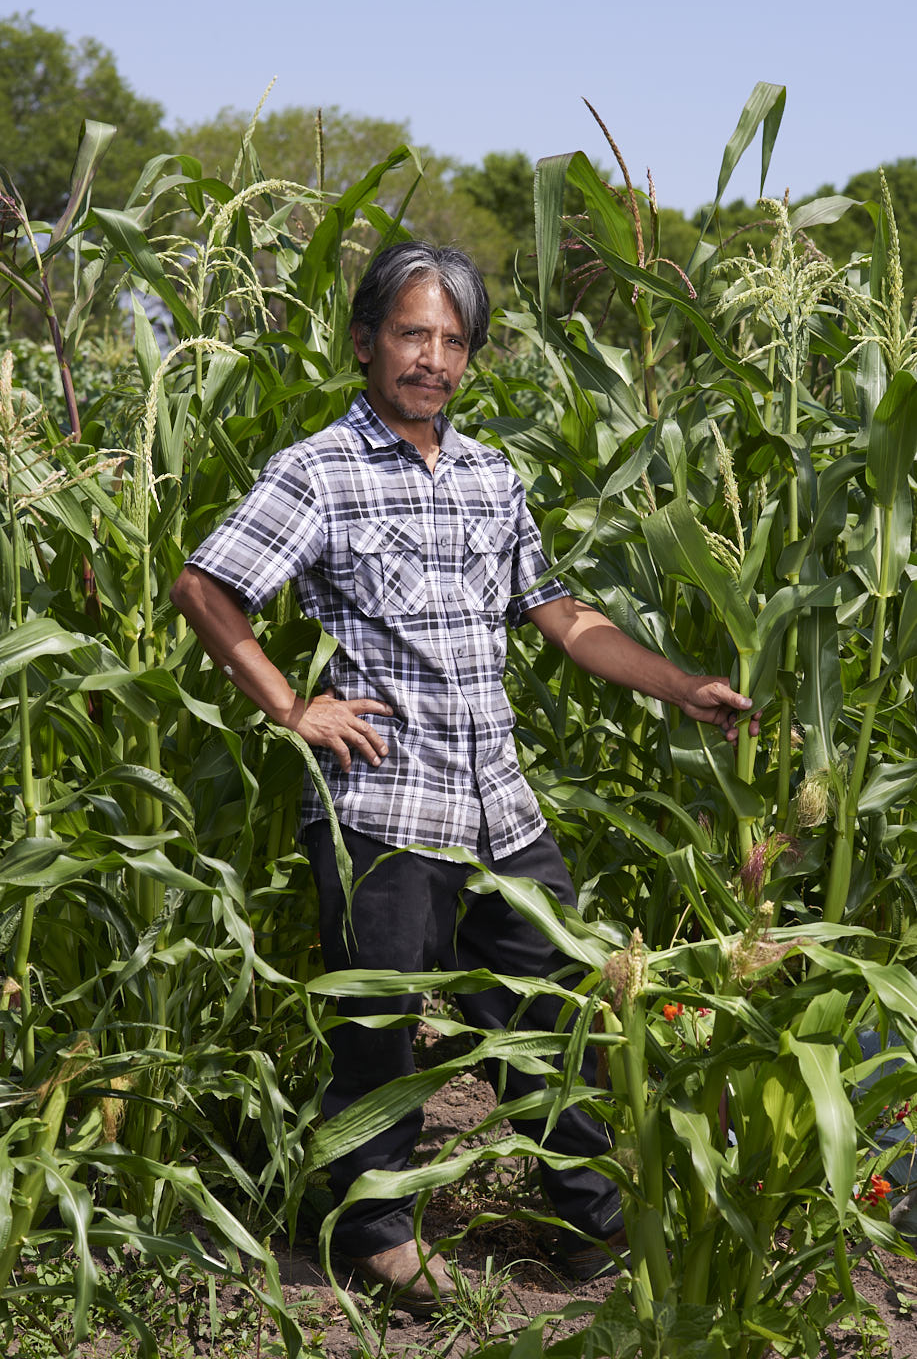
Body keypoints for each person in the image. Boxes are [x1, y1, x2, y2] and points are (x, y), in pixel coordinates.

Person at [171, 241, 755, 1314]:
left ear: (469, 357)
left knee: (559, 1008)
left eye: (449, 339)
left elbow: (563, 616)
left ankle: (585, 1219)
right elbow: (206, 585)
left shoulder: (491, 474)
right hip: (385, 804)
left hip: (499, 803)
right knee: (379, 1029)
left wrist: (678, 685)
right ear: (364, 342)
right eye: (410, 333)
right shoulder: (319, 469)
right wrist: (290, 705)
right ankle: (373, 1230)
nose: (430, 357)